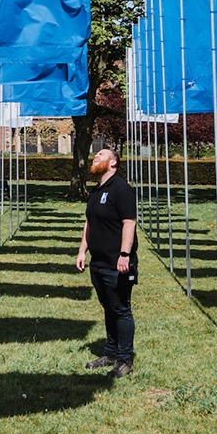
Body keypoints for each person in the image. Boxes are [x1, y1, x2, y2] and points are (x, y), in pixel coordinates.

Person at [74, 146, 138, 376]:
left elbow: (129, 223)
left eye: (101, 155)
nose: (95, 157)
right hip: (97, 262)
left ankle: (125, 359)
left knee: (121, 309)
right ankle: (110, 353)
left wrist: (124, 255)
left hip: (117, 262)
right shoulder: (95, 191)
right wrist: (82, 251)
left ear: (113, 162)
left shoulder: (122, 190)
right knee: (108, 308)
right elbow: (89, 224)